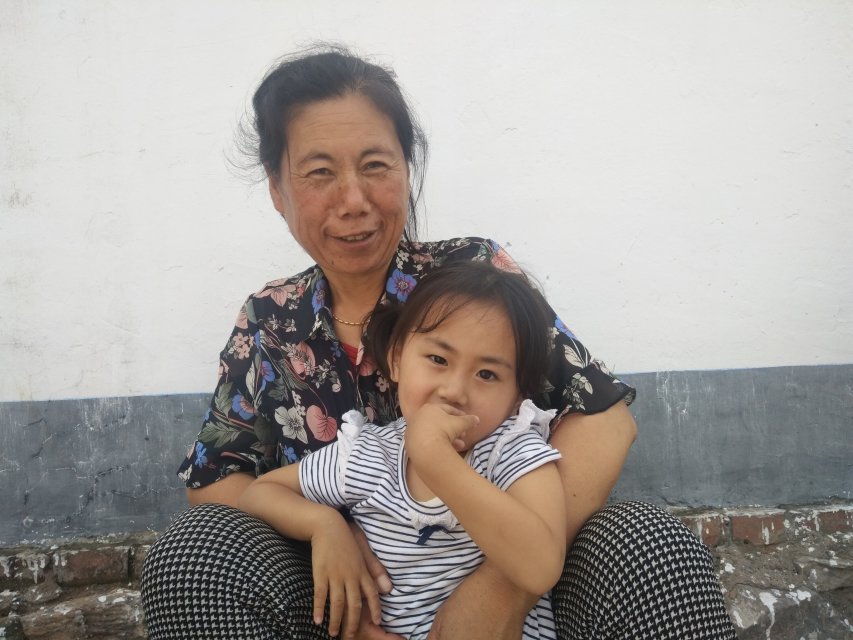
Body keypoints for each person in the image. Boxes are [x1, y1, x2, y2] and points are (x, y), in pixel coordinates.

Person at [141, 45, 737, 640]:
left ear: (407, 169)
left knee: (648, 544)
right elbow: (218, 482)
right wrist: (330, 535)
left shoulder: (473, 279)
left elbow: (603, 419)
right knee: (192, 554)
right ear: (278, 189)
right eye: (320, 172)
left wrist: (500, 589)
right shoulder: (269, 320)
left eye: (376, 165)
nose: (354, 200)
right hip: (331, 597)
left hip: (512, 580)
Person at [239, 261, 567, 640]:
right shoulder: (367, 455)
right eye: (438, 360)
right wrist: (324, 525)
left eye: (487, 374)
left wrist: (436, 461)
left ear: (517, 397)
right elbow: (259, 494)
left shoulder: (512, 451)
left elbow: (541, 568)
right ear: (396, 359)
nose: (454, 391)